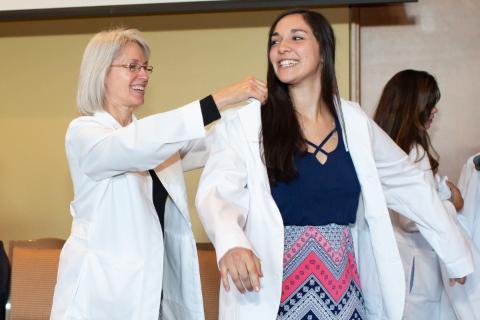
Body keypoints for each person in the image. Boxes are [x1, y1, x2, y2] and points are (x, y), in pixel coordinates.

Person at [195, 10, 473, 320]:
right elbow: (216, 190)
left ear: (323, 51)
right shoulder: (248, 122)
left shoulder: (353, 121)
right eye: (275, 41)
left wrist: (455, 253)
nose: (282, 47)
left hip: (343, 289)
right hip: (273, 291)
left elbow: (410, 182)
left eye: (296, 38)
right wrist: (231, 242)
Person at [50, 28, 267, 319]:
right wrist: (224, 97)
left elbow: (216, 141)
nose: (144, 75)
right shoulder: (85, 134)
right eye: (132, 67)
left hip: (155, 298)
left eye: (145, 67)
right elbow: (136, 145)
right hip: (102, 298)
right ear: (101, 73)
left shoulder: (153, 141)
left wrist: (266, 112)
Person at [373, 69, 476, 319]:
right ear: (414, 107)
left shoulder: (385, 150)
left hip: (397, 266)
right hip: (416, 273)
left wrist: (442, 191)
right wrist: (448, 204)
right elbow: (410, 219)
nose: (435, 110)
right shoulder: (415, 152)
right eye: (431, 103)